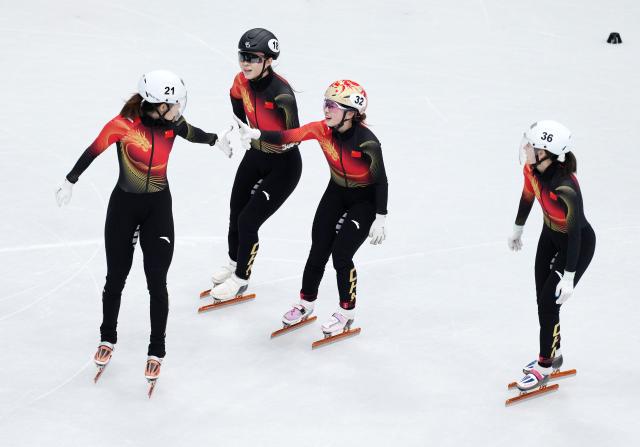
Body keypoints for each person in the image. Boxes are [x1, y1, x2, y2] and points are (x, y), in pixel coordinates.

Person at [55, 70, 232, 382]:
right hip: (124, 207)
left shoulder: (173, 125)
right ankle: (107, 337)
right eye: (174, 105)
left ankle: (156, 349)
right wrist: (70, 180)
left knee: (157, 282)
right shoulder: (122, 126)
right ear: (158, 105)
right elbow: (93, 150)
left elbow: (194, 133)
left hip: (158, 209)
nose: (179, 110)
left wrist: (216, 140)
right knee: (116, 278)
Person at [236, 79, 388, 337]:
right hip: (336, 193)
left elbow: (380, 179)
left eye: (332, 106)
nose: (326, 110)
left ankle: (346, 313)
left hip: (364, 202)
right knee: (318, 249)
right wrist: (259, 134)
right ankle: (306, 303)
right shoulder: (322, 130)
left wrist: (381, 216)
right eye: (325, 104)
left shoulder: (367, 143)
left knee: (341, 255)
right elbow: (290, 135)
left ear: (351, 113)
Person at [208, 28, 302, 302]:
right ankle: (234, 262)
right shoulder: (241, 80)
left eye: (252, 58)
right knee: (235, 210)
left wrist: (262, 135)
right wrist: (241, 128)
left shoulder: (281, 93)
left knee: (248, 220)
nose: (245, 63)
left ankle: (241, 279)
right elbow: (236, 99)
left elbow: (295, 137)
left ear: (269, 60)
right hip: (256, 155)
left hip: (284, 165)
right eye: (242, 56)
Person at [507, 120, 596, 391]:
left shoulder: (565, 186)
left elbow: (576, 234)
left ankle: (544, 366)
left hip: (574, 245)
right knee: (542, 300)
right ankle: (553, 353)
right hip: (550, 237)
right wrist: (517, 229)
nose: (526, 148)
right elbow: (527, 196)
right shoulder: (531, 169)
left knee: (549, 303)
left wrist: (569, 276)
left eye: (532, 146)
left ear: (547, 152)